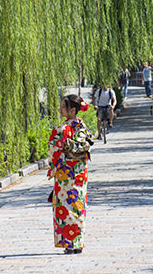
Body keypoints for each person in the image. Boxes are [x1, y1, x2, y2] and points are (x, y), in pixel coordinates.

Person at [47, 94, 93, 255]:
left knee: (64, 207)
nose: (60, 109)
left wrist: (53, 167)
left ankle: (68, 242)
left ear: (72, 110)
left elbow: (53, 151)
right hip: (80, 172)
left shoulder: (60, 130)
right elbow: (87, 146)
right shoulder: (84, 128)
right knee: (78, 204)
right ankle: (78, 242)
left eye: (63, 107)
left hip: (64, 174)